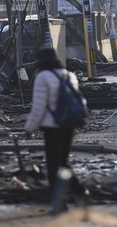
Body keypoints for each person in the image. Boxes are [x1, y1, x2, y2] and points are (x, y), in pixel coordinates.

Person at [24, 47, 84, 202]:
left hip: (52, 127)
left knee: (53, 164)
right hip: (69, 124)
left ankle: (57, 198)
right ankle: (79, 191)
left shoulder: (43, 76)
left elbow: (38, 107)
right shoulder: (69, 75)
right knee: (63, 161)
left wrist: (29, 128)